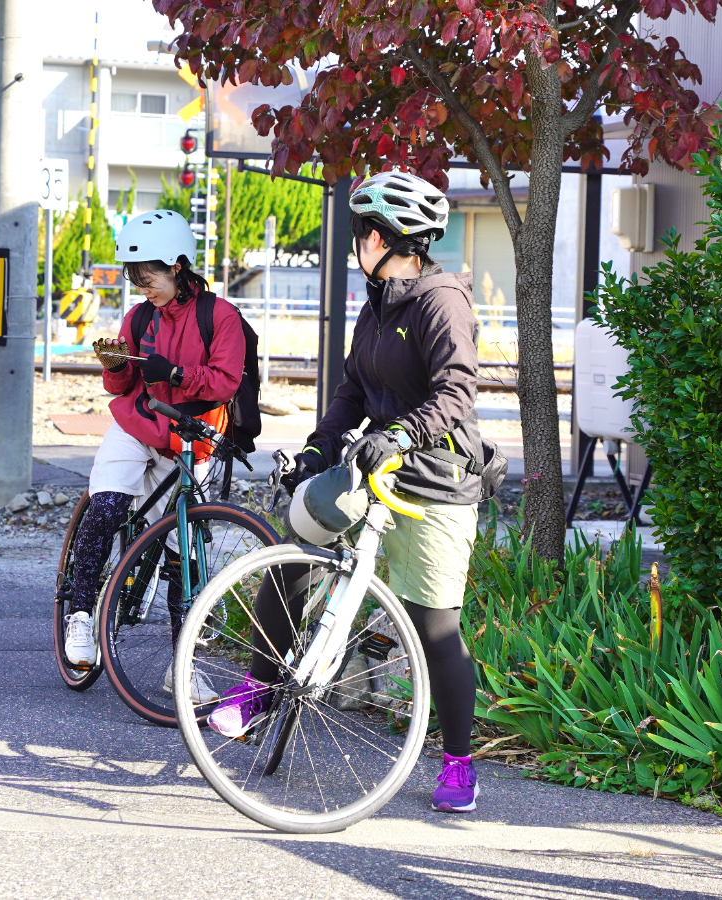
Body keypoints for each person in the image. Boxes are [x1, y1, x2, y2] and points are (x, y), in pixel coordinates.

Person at [207, 170, 485, 813]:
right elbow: (352, 394)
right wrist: (317, 446)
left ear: (389, 238)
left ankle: (459, 764)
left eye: (363, 231)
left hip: (436, 478)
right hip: (372, 468)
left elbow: (458, 391)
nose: (356, 241)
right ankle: (259, 687)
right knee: (296, 544)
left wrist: (404, 435)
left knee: (435, 625)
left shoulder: (442, 302)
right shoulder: (377, 304)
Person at [63, 209, 246, 704]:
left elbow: (225, 382)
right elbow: (121, 386)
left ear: (179, 265)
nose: (143, 287)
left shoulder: (219, 316)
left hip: (192, 434)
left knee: (181, 554)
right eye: (135, 278)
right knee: (104, 510)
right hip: (137, 422)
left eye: (150, 277)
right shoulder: (139, 316)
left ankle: (180, 667)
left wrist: (179, 374)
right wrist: (115, 367)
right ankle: (80, 617)